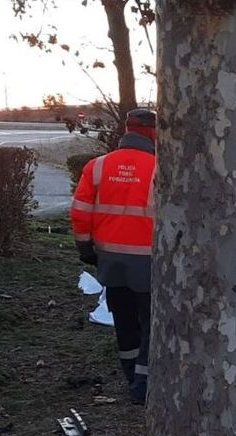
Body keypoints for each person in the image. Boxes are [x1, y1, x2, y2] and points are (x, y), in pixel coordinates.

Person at [70, 109, 157, 404]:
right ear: (152, 133)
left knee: (123, 319)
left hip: (109, 258)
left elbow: (80, 213)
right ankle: (143, 386)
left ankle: (130, 372)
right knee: (149, 322)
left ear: (126, 130)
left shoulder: (97, 167)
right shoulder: (160, 168)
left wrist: (86, 250)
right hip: (147, 260)